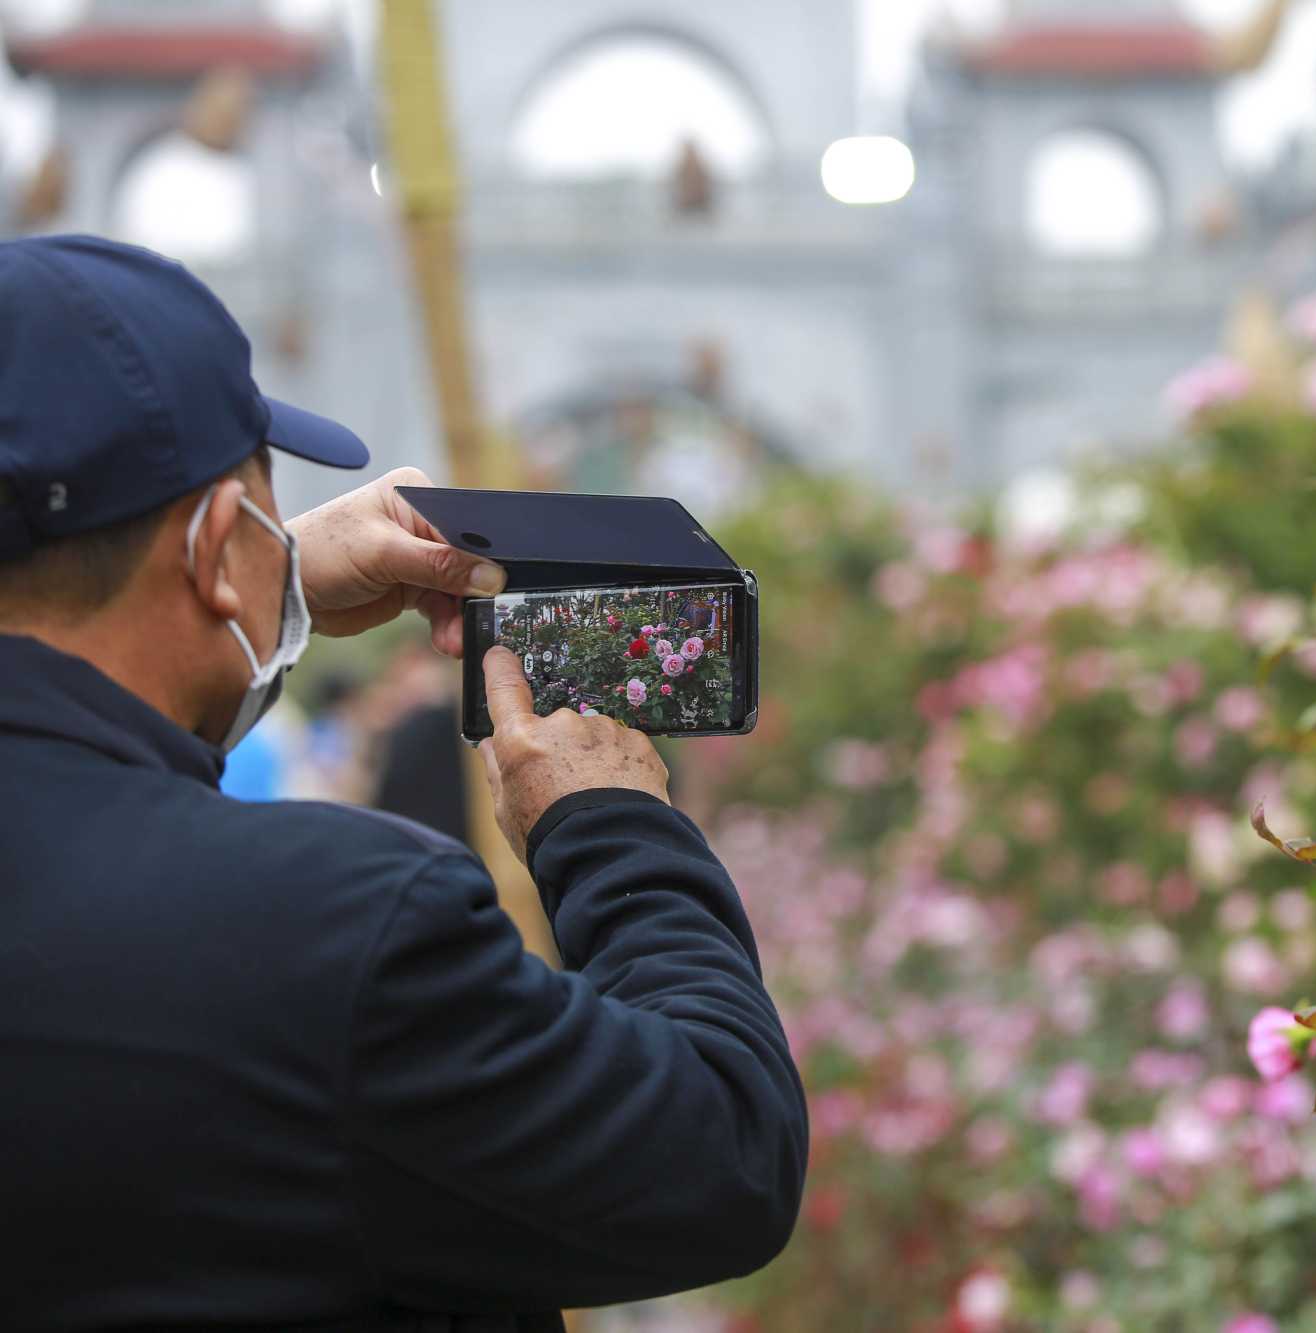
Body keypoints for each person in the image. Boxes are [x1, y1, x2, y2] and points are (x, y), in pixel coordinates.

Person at [0, 236, 807, 1330]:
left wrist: (262, 592)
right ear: (209, 545)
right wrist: (611, 824)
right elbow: (722, 1153)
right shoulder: (329, 929)